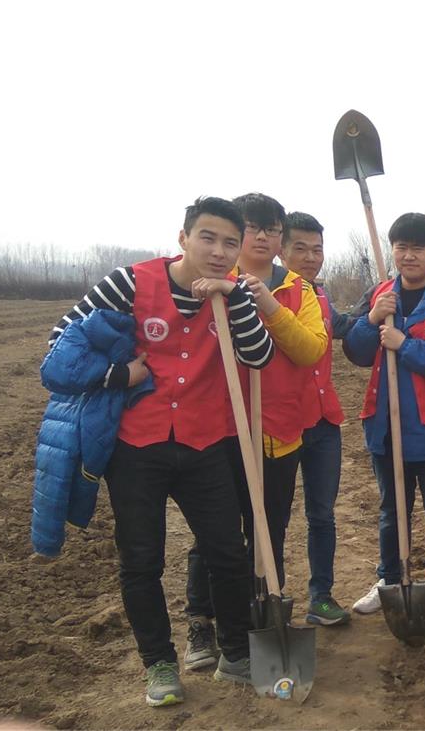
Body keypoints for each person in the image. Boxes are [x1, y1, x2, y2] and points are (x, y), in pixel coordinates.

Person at [47, 197, 273, 706]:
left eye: (230, 243)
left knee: (227, 552)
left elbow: (259, 357)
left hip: (205, 443)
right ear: (183, 238)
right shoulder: (129, 283)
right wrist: (118, 375)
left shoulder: (234, 293)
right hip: (136, 447)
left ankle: (236, 653)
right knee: (141, 559)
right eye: (207, 238)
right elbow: (60, 342)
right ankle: (159, 664)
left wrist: (235, 298)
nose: (219, 252)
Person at [183, 194, 327, 667]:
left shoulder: (298, 290)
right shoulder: (206, 282)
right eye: (253, 227)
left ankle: (263, 617)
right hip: (219, 432)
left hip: (278, 432)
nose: (263, 237)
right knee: (214, 534)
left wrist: (268, 305)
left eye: (272, 229)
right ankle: (201, 622)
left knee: (269, 530)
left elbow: (310, 350)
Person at [343, 213, 425, 627]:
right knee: (391, 511)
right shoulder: (380, 295)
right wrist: (372, 319)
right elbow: (357, 353)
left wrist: (403, 343)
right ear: (392, 250)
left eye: (418, 248)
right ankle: (389, 579)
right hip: (385, 426)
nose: (409, 256)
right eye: (401, 247)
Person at [279, 211, 352, 626]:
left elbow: (344, 327)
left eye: (317, 249)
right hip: (279, 425)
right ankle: (270, 597)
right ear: (281, 250)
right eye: (300, 248)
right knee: (271, 517)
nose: (310, 257)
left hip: (323, 422)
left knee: (321, 513)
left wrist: (376, 315)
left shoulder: (321, 297)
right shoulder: (264, 295)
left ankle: (320, 596)